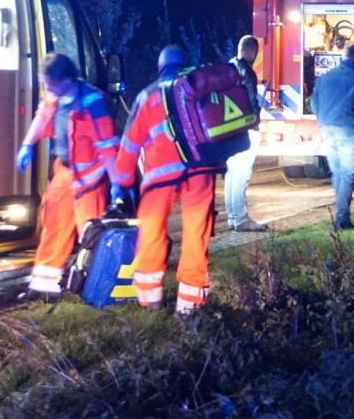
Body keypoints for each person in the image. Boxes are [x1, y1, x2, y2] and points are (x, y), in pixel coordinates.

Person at [113, 45, 221, 315]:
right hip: (200, 171)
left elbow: (129, 144)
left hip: (160, 176)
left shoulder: (147, 95)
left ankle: (150, 301)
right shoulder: (198, 89)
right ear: (185, 64)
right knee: (197, 233)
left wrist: (122, 181)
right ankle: (190, 304)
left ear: (160, 67)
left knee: (151, 232)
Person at [15, 52, 118, 301]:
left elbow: (107, 146)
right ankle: (43, 284)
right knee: (53, 225)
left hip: (91, 177)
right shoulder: (54, 95)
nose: (47, 88)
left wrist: (117, 183)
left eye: (51, 83)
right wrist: (28, 144)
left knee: (90, 234)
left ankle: (93, 287)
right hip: (65, 171)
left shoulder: (92, 101)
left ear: (67, 79)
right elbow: (42, 117)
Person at [310, 42, 354, 229]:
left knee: (337, 173)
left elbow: (313, 101)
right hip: (348, 130)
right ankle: (342, 218)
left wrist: (322, 120)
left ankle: (341, 215)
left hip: (327, 129)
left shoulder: (326, 77)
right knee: (348, 174)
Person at [224, 35, 267, 232]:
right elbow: (250, 101)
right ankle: (241, 220)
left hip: (228, 130)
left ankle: (233, 218)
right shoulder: (247, 72)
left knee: (232, 174)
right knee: (242, 175)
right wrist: (255, 123)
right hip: (245, 130)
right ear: (252, 51)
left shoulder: (228, 68)